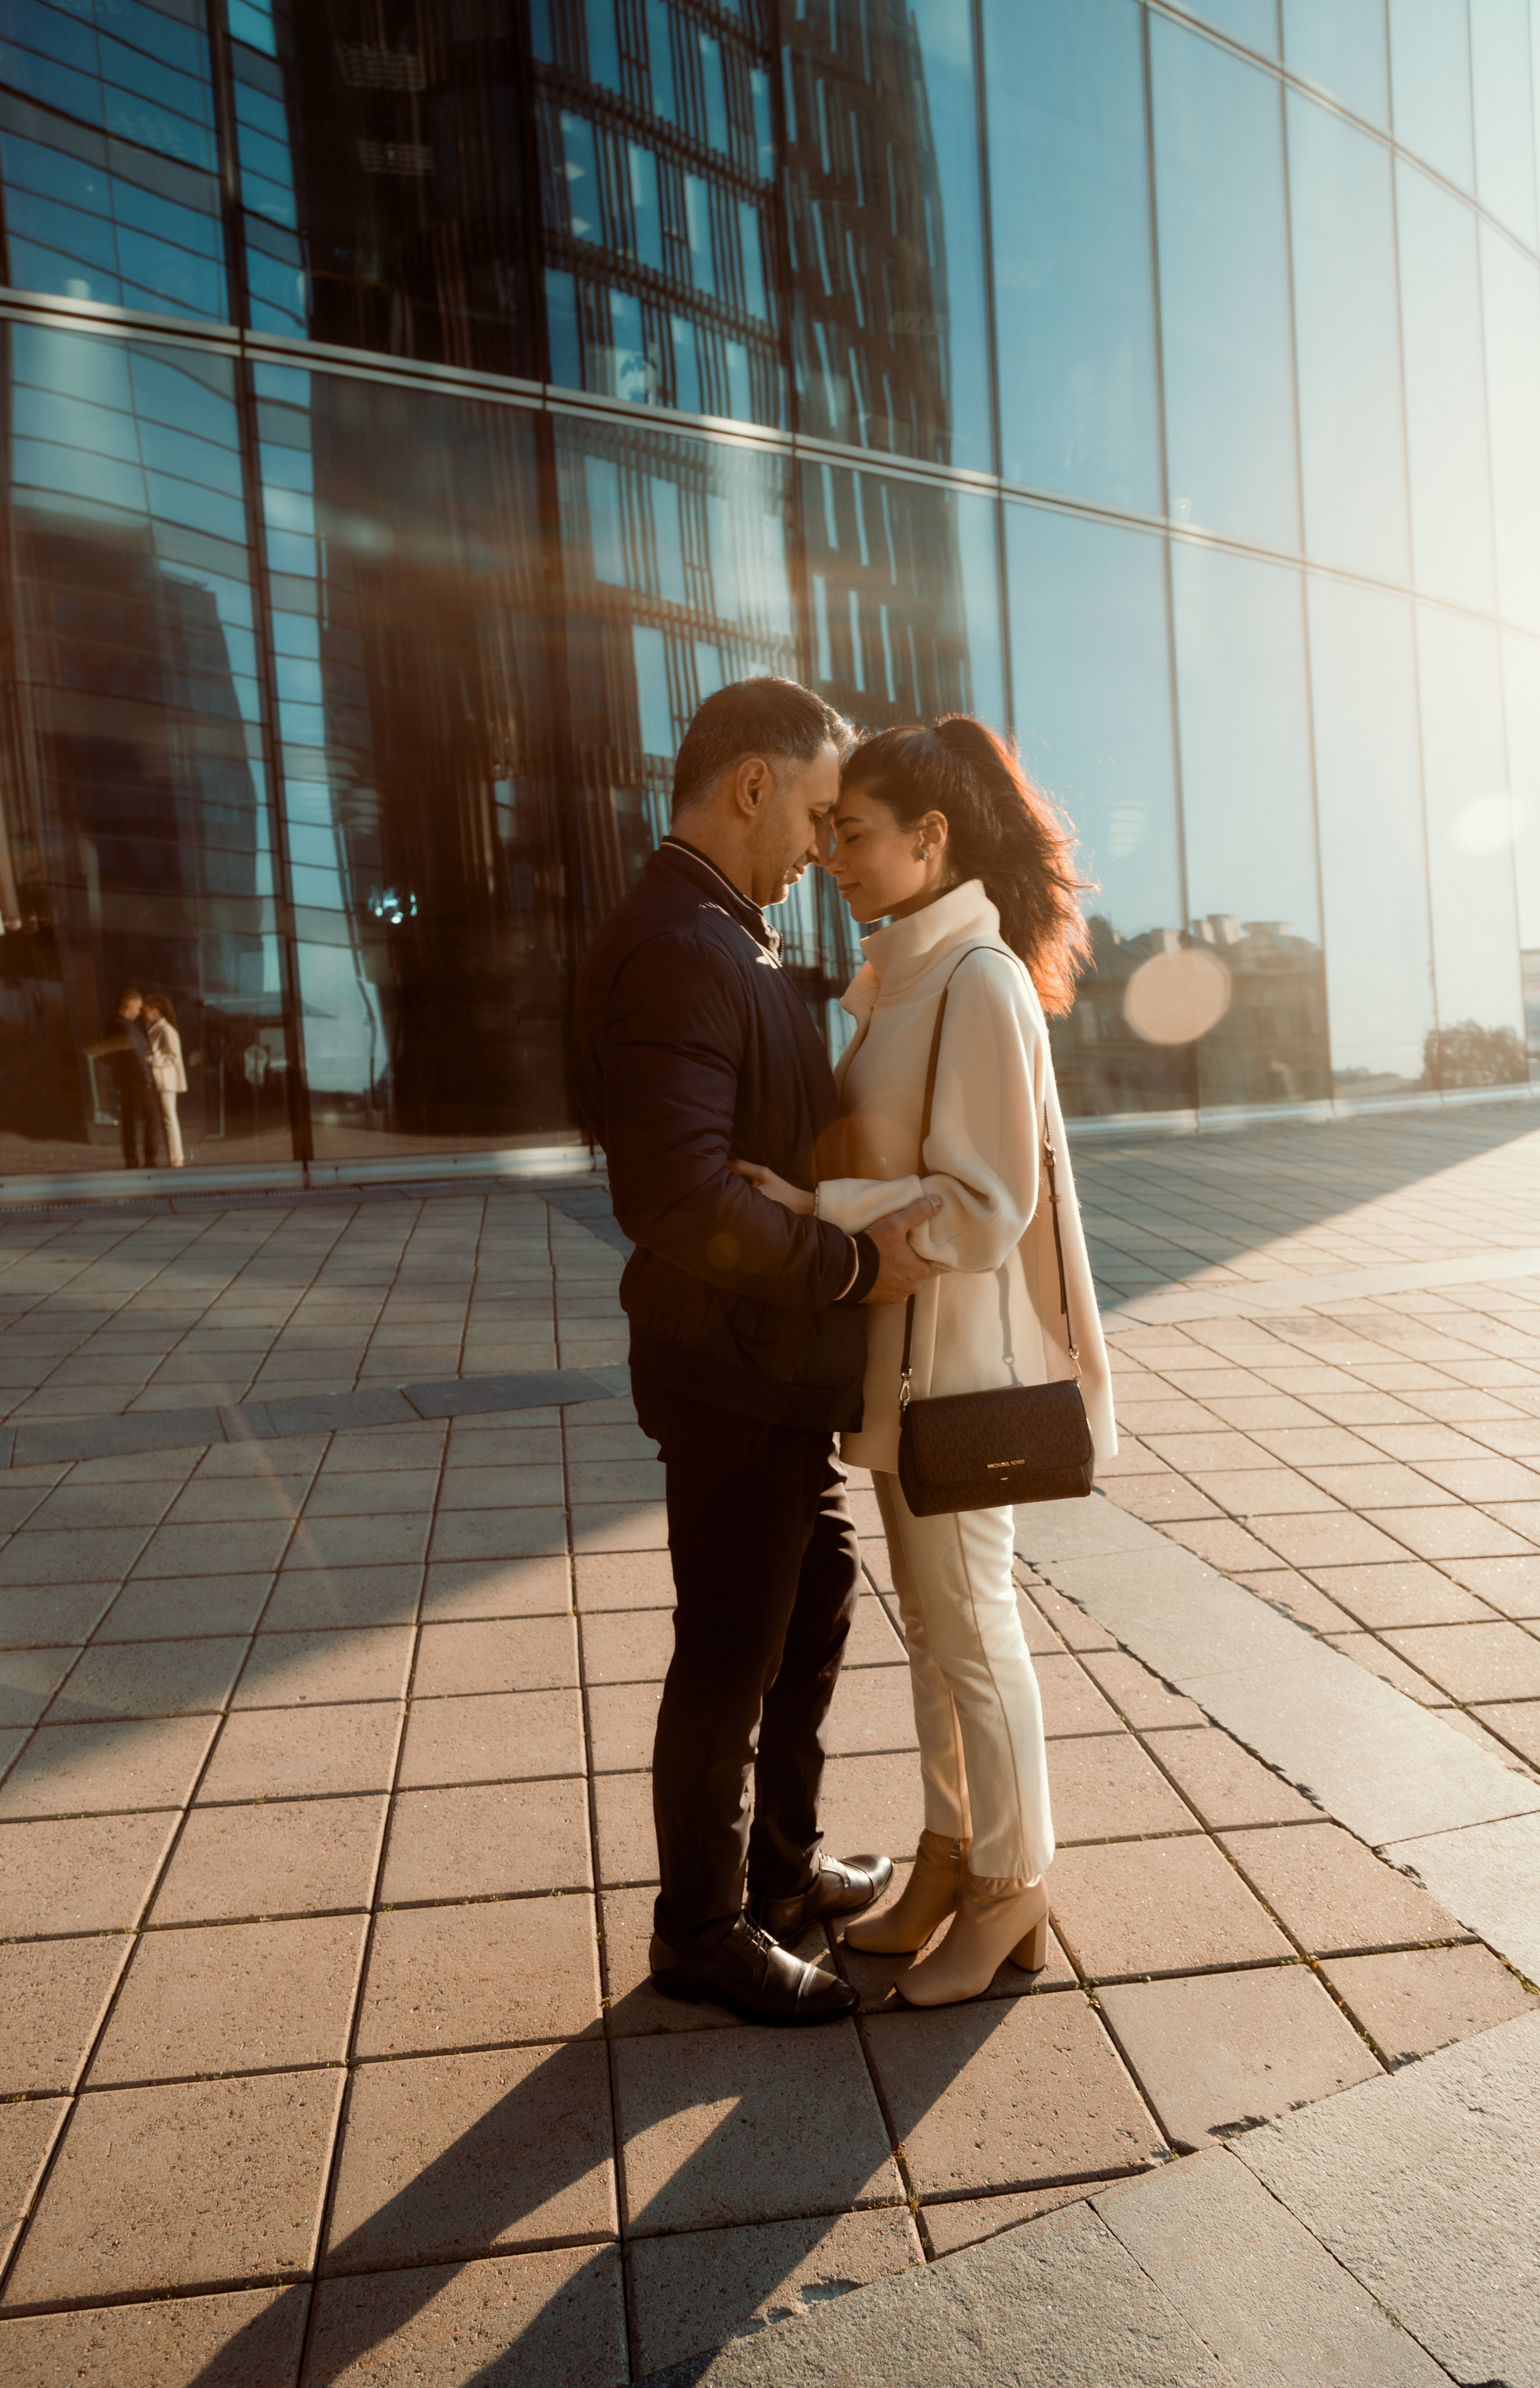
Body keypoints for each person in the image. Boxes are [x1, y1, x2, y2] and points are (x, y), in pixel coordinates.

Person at [573, 677, 943, 2026]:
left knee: (814, 1601)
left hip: (770, 1364)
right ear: (747, 787)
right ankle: (703, 1929)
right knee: (728, 1652)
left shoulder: (723, 933)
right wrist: (846, 1258)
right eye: (809, 812)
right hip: (728, 1363)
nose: (817, 845)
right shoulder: (680, 942)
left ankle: (781, 1874)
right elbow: (672, 1197)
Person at [733, 716, 1117, 2007]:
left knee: (973, 1627)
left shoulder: (978, 982)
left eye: (853, 833)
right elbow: (886, 1168)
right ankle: (952, 1858)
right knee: (937, 1637)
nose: (831, 852)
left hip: (962, 1367)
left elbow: (983, 1204)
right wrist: (808, 1191)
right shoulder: (903, 979)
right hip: (902, 1360)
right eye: (825, 831)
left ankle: (1016, 1887)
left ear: (928, 840)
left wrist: (805, 1210)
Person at [100, 985, 160, 1169]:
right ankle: (149, 1160)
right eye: (138, 1007)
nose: (140, 1011)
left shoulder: (112, 1025)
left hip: (124, 1080)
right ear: (128, 1005)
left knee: (128, 1121)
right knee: (153, 1117)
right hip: (137, 1081)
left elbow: (105, 1052)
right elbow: (135, 1054)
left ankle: (131, 1159)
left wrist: (119, 1066)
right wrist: (146, 1077)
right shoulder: (123, 1027)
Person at [142, 993, 187, 1167]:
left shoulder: (166, 1030)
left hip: (167, 1080)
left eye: (146, 1011)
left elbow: (172, 1056)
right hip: (162, 1079)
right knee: (168, 1118)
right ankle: (175, 1157)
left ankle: (177, 1158)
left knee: (169, 1118)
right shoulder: (158, 1028)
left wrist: (152, 1060)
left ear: (156, 1011)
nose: (143, 1014)